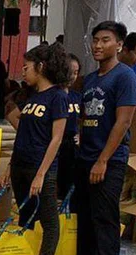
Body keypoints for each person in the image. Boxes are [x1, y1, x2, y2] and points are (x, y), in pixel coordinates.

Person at [59, 21, 136, 255]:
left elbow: (124, 121)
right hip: (86, 156)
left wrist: (103, 160)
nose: (98, 45)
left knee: (105, 216)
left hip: (109, 160)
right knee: (85, 212)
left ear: (118, 45)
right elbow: (84, 117)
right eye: (95, 40)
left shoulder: (124, 76)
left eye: (105, 40)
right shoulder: (91, 80)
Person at [3, 44, 70, 255]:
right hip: (21, 166)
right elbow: (24, 134)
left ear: (41, 67)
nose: (23, 71)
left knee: (49, 220)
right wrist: (11, 166)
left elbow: (56, 138)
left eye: (27, 66)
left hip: (41, 170)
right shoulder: (32, 97)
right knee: (26, 217)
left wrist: (41, 174)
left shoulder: (58, 97)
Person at [57, 52, 83, 199]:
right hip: (55, 146)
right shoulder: (52, 96)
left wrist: (81, 134)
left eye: (76, 72)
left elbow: (84, 119)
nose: (72, 76)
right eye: (69, 72)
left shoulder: (77, 97)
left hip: (72, 148)